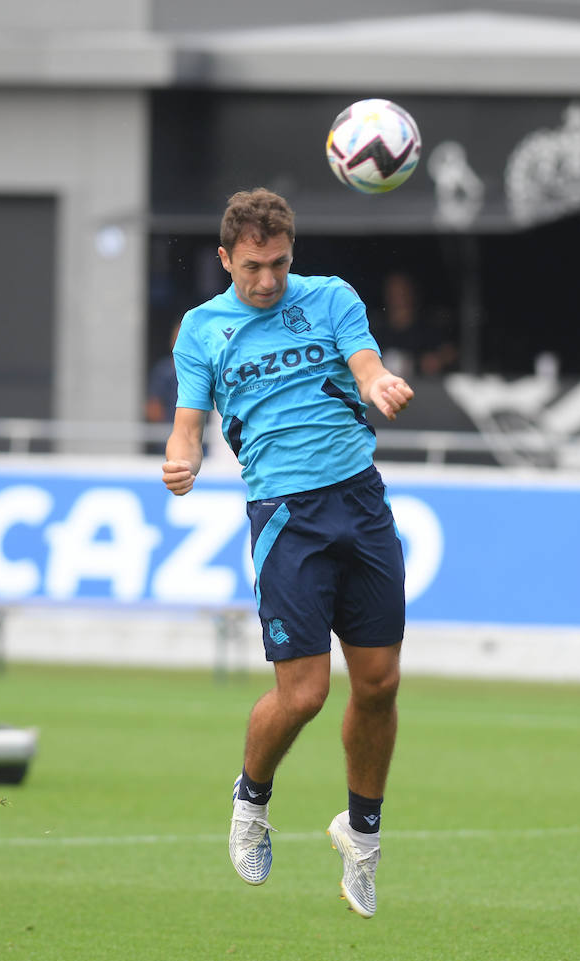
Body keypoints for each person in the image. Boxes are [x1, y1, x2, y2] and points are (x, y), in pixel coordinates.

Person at [162, 188, 414, 918]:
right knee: (304, 693)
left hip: (360, 504)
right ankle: (251, 798)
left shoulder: (331, 298)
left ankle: (360, 837)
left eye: (277, 264)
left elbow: (364, 365)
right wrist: (180, 459)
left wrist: (380, 382)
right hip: (286, 519)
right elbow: (188, 422)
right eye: (251, 267)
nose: (266, 280)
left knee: (379, 683)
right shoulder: (203, 329)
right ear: (224, 259)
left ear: (291, 253)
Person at [366, 270, 457, 379]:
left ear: (412, 292)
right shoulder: (376, 328)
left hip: (424, 389)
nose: (398, 297)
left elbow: (450, 353)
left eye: (402, 291)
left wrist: (438, 360)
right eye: (393, 292)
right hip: (383, 389)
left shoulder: (428, 327)